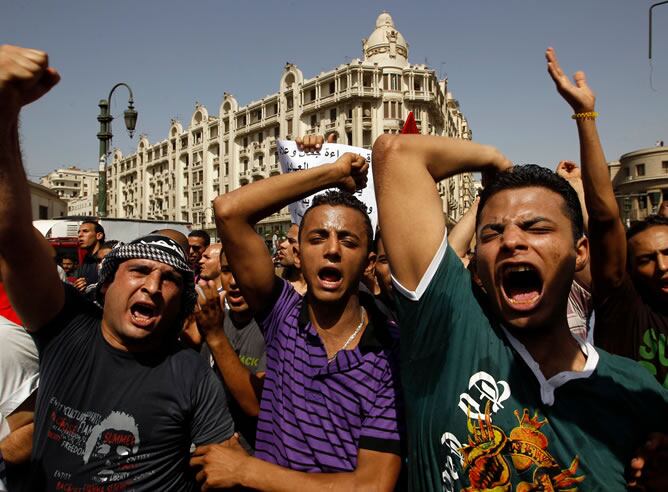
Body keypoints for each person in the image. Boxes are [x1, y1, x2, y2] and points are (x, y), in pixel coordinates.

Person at [370, 47, 668, 491]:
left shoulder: (631, 388)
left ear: (580, 252)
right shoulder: (449, 332)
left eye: (536, 226)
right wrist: (494, 161)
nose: (511, 241)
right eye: (491, 233)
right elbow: (396, 153)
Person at [0, 44, 233, 489]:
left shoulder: (191, 375)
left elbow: (226, 468)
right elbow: (11, 236)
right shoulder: (66, 330)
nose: (152, 286)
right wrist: (5, 110)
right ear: (105, 286)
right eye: (139, 271)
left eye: (169, 280)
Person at [191, 135, 403, 490]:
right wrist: (331, 172)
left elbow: (372, 486)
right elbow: (229, 210)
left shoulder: (392, 351)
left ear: (368, 263)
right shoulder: (282, 315)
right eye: (317, 238)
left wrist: (246, 471)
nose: (332, 249)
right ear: (298, 256)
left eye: (348, 241)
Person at [546, 46, 668, 389]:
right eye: (645, 259)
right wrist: (585, 116)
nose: (661, 267)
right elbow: (605, 219)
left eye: (667, 253)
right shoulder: (626, 309)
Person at [195, 249, 266, 452]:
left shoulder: (275, 328)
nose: (234, 282)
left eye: (243, 271)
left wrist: (216, 336)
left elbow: (255, 404)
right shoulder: (212, 317)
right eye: (227, 270)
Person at [276, 223, 307, 295]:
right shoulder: (275, 281)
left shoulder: (321, 291)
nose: (282, 244)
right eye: (286, 239)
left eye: (291, 241)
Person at [77, 220, 105, 286]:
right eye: (79, 232)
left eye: (85, 231)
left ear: (99, 235)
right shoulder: (86, 259)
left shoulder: (106, 258)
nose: (80, 235)